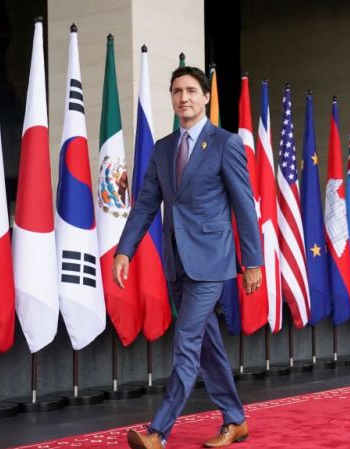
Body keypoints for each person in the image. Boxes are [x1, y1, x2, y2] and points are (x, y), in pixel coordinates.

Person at [113, 66, 263, 449]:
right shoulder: (164, 148)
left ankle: (158, 432)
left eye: (192, 90)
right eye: (177, 91)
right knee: (207, 345)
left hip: (212, 261)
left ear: (206, 97)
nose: (184, 98)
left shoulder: (226, 143)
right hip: (176, 262)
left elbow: (244, 206)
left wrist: (253, 262)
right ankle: (236, 420)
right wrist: (125, 250)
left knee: (186, 342)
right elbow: (146, 203)